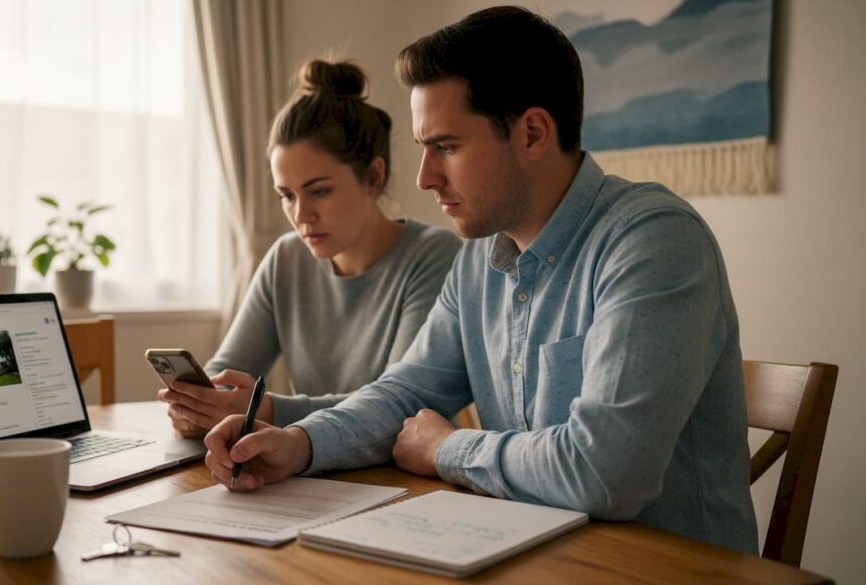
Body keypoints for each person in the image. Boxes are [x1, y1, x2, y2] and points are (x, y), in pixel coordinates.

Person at [202, 6, 759, 554]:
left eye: (445, 146)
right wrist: (299, 444)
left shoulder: (653, 240)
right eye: (424, 149)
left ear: (534, 133)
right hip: (532, 555)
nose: (424, 178)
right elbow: (406, 393)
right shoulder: (478, 259)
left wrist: (449, 448)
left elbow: (606, 472)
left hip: (666, 570)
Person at [158, 59, 462, 436]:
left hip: (402, 475)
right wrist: (202, 407)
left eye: (319, 191)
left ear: (374, 176)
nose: (301, 214)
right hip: (307, 470)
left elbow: (399, 406)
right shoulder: (286, 258)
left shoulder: (434, 256)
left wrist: (265, 409)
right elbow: (227, 370)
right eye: (286, 195)